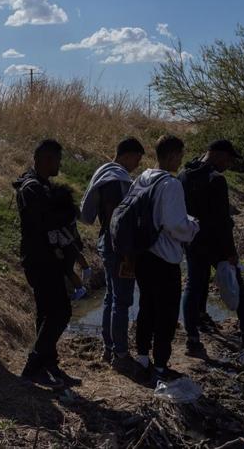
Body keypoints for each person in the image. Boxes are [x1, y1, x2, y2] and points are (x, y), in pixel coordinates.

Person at [179, 139, 244, 357]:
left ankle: (193, 337)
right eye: (228, 158)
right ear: (215, 154)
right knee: (237, 282)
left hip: (191, 238)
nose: (229, 163)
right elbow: (223, 221)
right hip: (215, 242)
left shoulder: (184, 174)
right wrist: (231, 252)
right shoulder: (216, 180)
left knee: (194, 284)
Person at [13, 138, 82, 389]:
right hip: (41, 258)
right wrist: (67, 213)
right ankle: (33, 366)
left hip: (44, 257)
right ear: (46, 159)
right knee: (60, 312)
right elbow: (45, 222)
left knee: (47, 312)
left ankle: (49, 364)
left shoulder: (38, 185)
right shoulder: (32, 188)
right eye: (58, 160)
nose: (60, 165)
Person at [131, 135, 199, 380]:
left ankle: (141, 356)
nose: (181, 160)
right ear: (172, 155)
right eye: (180, 155)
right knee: (166, 314)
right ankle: (160, 365)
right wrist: (193, 226)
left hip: (142, 254)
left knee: (146, 307)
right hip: (164, 257)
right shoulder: (171, 184)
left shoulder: (142, 178)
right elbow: (174, 225)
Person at [79, 137, 145, 370]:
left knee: (110, 297)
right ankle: (121, 354)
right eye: (137, 158)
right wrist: (128, 254)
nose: (137, 164)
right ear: (127, 154)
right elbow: (119, 221)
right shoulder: (117, 180)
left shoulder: (103, 173)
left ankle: (109, 350)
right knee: (122, 300)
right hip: (119, 245)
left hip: (105, 242)